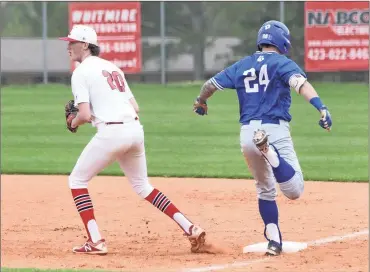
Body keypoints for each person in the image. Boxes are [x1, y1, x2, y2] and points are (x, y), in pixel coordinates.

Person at [59, 25, 207, 255]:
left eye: (72, 42)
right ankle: (191, 227)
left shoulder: (80, 72)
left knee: (77, 181)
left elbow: (85, 115)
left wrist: (72, 122)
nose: (68, 46)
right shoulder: (113, 68)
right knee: (143, 186)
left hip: (111, 133)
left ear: (85, 45)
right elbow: (135, 107)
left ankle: (96, 241)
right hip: (135, 129)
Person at [193, 20, 332, 256]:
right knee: (294, 190)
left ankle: (274, 242)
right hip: (274, 129)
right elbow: (301, 85)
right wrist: (321, 107)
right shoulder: (282, 63)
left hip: (247, 134)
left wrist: (201, 101)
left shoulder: (242, 64)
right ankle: (270, 153)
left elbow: (210, 85)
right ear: (283, 41)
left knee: (265, 190)